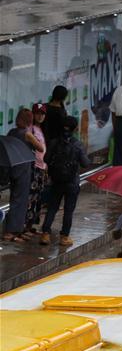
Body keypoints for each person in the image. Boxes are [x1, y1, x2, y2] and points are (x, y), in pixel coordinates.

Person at [41, 116, 90, 247]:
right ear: (75, 129)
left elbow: (46, 158)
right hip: (72, 182)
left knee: (52, 207)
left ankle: (45, 234)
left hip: (56, 181)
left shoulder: (54, 142)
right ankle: (64, 237)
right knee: (69, 210)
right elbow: (85, 163)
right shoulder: (77, 144)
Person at [2, 110, 39, 242]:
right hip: (23, 168)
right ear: (29, 121)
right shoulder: (27, 134)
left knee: (14, 198)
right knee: (20, 199)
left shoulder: (12, 132)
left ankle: (14, 229)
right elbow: (40, 148)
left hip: (12, 167)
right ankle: (11, 231)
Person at [25, 104, 49, 234]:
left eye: (42, 114)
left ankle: (31, 224)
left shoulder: (40, 129)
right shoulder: (30, 129)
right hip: (34, 167)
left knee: (37, 198)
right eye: (38, 113)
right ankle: (26, 226)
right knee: (30, 198)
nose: (40, 116)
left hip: (41, 167)